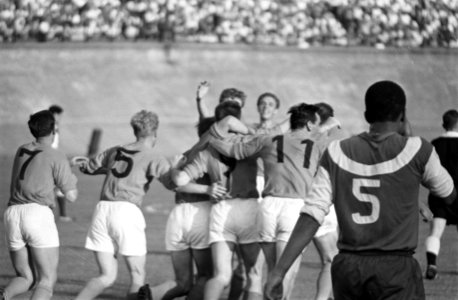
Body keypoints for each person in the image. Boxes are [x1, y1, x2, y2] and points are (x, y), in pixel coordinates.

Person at [264, 80, 457, 300]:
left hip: (349, 268)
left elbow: (312, 213)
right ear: (403, 115)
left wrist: (279, 272)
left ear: (366, 116)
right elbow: (448, 193)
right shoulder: (418, 148)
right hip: (396, 267)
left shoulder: (336, 151)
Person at [210, 103, 337, 300]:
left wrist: (208, 139)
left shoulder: (268, 140)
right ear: (311, 125)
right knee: (285, 274)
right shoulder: (319, 144)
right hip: (295, 209)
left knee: (273, 273)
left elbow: (236, 151)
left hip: (268, 208)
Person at [73, 110, 176, 300]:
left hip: (102, 210)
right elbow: (172, 183)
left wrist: (82, 163)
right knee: (137, 277)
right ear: (155, 133)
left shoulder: (115, 150)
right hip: (127, 212)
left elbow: (89, 167)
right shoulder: (154, 156)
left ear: (135, 130)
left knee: (106, 276)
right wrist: (177, 168)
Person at [173, 102, 264, 300]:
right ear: (238, 119)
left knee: (221, 275)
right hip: (247, 208)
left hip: (220, 209)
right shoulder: (252, 142)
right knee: (254, 275)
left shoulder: (208, 149)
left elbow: (179, 181)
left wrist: (175, 169)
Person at [2, 110, 78, 300]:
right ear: (54, 130)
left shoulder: (22, 150)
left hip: (13, 214)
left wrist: (66, 165)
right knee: (46, 281)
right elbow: (71, 196)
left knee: (25, 277)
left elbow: (39, 165)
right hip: (37, 215)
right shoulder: (56, 155)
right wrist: (70, 173)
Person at [424, 109, 458, 280]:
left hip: (438, 194)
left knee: (435, 232)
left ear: (444, 124)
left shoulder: (434, 143)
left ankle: (432, 264)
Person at [49, 104, 73, 222]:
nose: (60, 118)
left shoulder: (52, 125)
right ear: (55, 114)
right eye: (60, 115)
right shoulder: (50, 125)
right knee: (56, 186)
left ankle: (61, 214)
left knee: (57, 186)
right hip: (51, 159)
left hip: (52, 158)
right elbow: (50, 143)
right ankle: (60, 215)